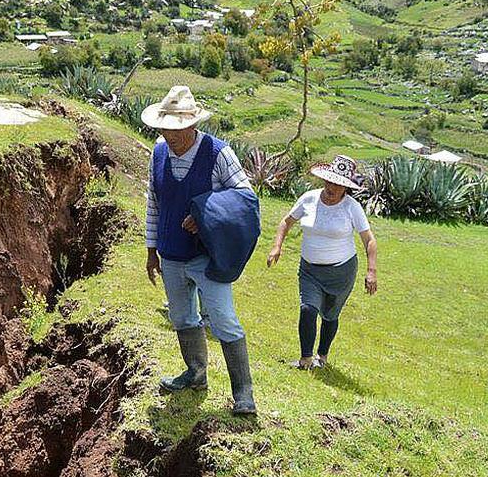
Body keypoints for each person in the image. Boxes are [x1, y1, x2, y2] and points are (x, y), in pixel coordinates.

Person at [142, 86, 257, 416]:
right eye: (165, 128)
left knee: (223, 320)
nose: (170, 135)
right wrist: (152, 249)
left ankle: (243, 394)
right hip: (172, 254)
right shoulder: (159, 152)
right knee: (181, 317)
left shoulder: (219, 154)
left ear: (193, 125)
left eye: (177, 129)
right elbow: (154, 202)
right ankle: (195, 374)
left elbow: (245, 200)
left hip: (207, 257)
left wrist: (206, 212)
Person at [267, 155, 378, 369]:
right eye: (329, 182)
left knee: (330, 315)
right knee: (308, 308)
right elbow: (286, 222)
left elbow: (369, 239)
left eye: (338, 184)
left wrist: (371, 271)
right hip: (309, 269)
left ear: (346, 188)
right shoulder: (309, 198)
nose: (332, 188)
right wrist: (276, 246)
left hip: (341, 272)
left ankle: (322, 356)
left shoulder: (352, 208)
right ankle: (305, 359)